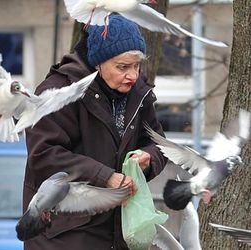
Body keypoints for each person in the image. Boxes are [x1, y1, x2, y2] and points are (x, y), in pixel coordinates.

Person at [23, 14, 167, 250]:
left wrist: (148, 158)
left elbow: (158, 143)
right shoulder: (58, 93)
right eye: (123, 67)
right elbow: (44, 155)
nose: (133, 75)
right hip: (63, 236)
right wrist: (105, 176)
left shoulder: (138, 92)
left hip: (120, 232)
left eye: (137, 65)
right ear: (97, 62)